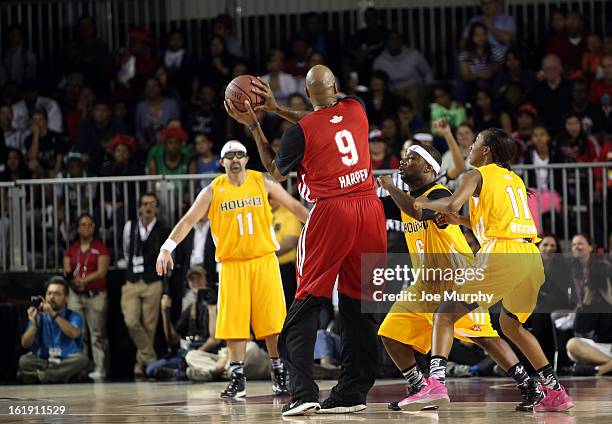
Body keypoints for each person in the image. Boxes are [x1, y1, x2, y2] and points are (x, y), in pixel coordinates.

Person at [225, 65, 388, 416]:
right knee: (360, 307)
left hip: (332, 212)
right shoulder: (356, 108)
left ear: (307, 93)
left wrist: (254, 124)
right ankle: (353, 392)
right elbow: (322, 117)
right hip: (371, 210)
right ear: (335, 87)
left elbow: (275, 169)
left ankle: (303, 394)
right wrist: (276, 108)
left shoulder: (300, 133)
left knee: (306, 302)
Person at [399, 128, 573, 412]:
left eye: (476, 142)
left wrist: (422, 203)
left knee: (444, 314)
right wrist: (458, 220)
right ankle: (555, 390)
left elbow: (452, 201)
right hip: (530, 256)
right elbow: (492, 221)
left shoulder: (476, 175)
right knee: (511, 326)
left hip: (502, 254)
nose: (470, 147)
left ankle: (435, 383)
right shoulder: (514, 179)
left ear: (487, 151)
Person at [376, 143, 542, 411]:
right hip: (425, 283)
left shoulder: (439, 193)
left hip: (457, 278)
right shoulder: (403, 200)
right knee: (390, 334)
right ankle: (419, 387)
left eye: (411, 158)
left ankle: (528, 386)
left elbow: (416, 209)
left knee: (483, 337)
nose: (403, 161)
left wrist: (389, 185)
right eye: (404, 156)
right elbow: (382, 206)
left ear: (429, 168)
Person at [156, 140, 309, 398]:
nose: (235, 159)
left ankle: (278, 372)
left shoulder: (262, 182)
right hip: (231, 264)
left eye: (239, 155)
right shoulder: (213, 191)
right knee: (234, 324)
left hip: (264, 259)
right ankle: (237, 378)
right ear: (222, 162)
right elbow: (189, 220)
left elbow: (296, 207)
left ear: (247, 159)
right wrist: (167, 247)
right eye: (230, 156)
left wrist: (323, 226)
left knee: (272, 322)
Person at [121, 192, 170, 378]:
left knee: (150, 326)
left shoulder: (163, 228)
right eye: (145, 204)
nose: (148, 207)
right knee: (131, 321)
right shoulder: (130, 227)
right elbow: (126, 251)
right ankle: (150, 359)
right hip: (132, 280)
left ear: (157, 208)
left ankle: (140, 366)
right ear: (140, 207)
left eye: (152, 204)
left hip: (153, 280)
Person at [63, 213, 110, 380]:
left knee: (97, 333)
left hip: (95, 294)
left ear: (94, 227)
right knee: (78, 332)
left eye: (90, 224)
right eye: (83, 224)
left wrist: (84, 280)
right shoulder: (72, 249)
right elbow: (67, 269)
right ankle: (80, 368)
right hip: (76, 294)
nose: (86, 227)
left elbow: (102, 271)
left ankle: (100, 367)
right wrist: (73, 282)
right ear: (77, 228)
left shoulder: (101, 248)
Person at [18, 276, 90, 384]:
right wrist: (33, 324)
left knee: (82, 360)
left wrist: (54, 315)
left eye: (56, 294)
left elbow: (74, 333)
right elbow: (25, 343)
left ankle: (41, 376)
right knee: (24, 361)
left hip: (65, 360)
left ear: (66, 298)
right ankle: (59, 376)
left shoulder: (74, 315)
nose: (51, 297)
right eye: (49, 293)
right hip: (44, 360)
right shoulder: (39, 316)